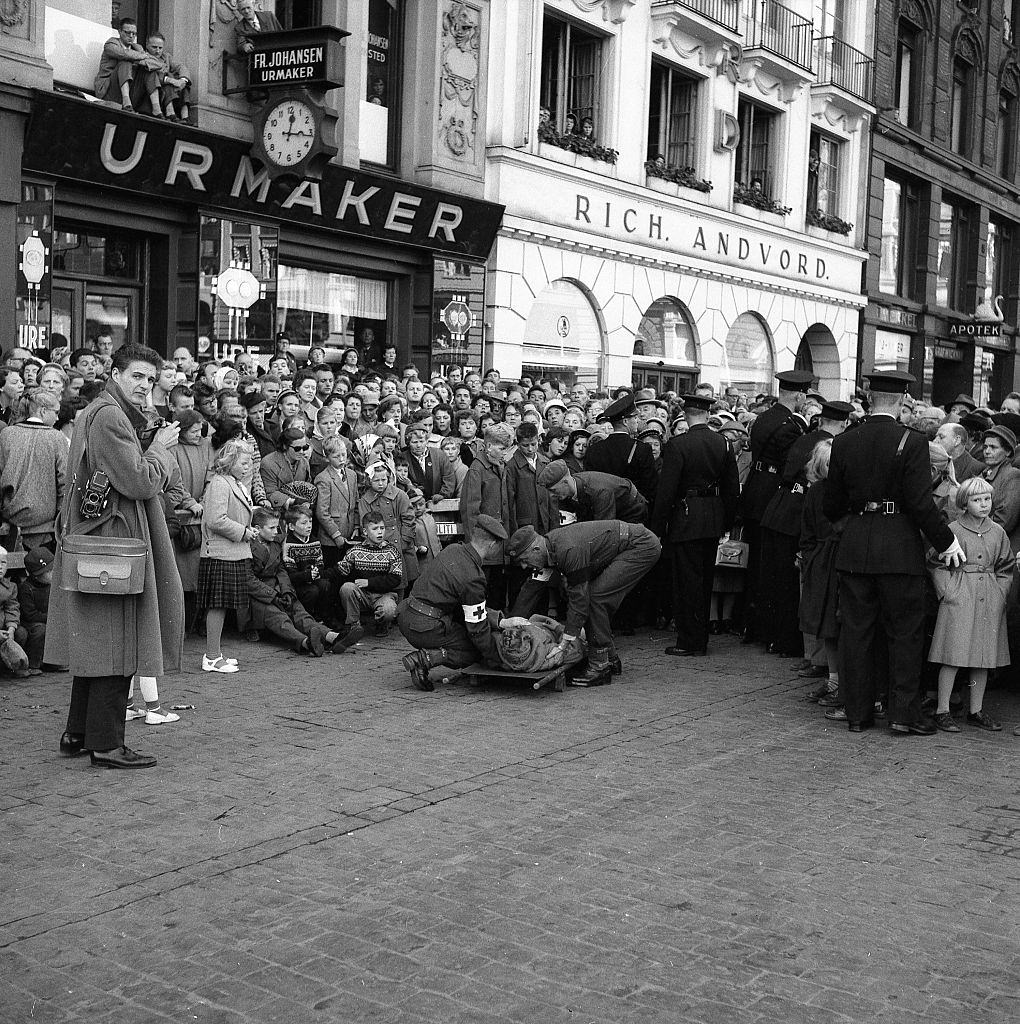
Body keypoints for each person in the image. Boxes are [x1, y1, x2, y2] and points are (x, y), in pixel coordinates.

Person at [49, 342, 184, 770]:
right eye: (137, 377)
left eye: (150, 378)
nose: (145, 386)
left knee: (99, 641)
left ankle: (79, 732)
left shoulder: (100, 410)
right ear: (117, 373)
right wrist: (162, 446)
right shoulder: (110, 415)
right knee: (119, 641)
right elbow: (141, 481)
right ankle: (105, 743)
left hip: (104, 537)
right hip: (117, 540)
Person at [823, 370, 964, 735]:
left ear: (868, 398)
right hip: (899, 547)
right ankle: (903, 715)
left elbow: (831, 504)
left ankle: (857, 713)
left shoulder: (844, 441)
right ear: (903, 399)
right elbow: (920, 504)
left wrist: (853, 524)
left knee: (856, 632)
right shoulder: (912, 441)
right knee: (905, 633)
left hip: (856, 547)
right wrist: (947, 541)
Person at [508, 520, 661, 687]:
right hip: (627, 544)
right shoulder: (547, 551)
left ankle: (600, 667)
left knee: (595, 599)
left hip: (641, 546)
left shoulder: (567, 550)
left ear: (535, 549)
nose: (523, 566)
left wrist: (562, 645)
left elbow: (580, 601)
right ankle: (610, 659)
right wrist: (510, 625)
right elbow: (531, 590)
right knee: (595, 597)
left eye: (524, 560)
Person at [757, 399, 852, 658]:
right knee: (793, 585)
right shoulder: (834, 447)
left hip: (779, 509)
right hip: (800, 513)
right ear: (843, 424)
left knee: (775, 581)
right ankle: (792, 644)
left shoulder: (803, 438)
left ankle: (774, 638)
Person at [650, 392, 740, 657]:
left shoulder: (678, 444)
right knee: (704, 580)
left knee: (687, 581)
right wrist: (726, 520)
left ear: (686, 416)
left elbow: (666, 491)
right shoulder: (723, 443)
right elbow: (732, 489)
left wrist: (657, 527)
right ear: (707, 415)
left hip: (686, 518)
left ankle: (690, 639)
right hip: (712, 517)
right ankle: (698, 638)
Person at [927, 477, 1010, 733]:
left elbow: (1005, 566)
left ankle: (976, 709)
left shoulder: (998, 531)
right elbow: (935, 561)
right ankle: (942, 709)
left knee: (983, 657)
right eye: (976, 500)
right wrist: (948, 591)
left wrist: (1000, 592)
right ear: (964, 502)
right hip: (960, 594)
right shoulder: (952, 529)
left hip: (988, 595)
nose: (984, 504)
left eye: (987, 499)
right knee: (952, 654)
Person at [739, 370, 815, 640]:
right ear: (798, 394)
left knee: (755, 562)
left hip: (754, 490)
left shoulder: (762, 418)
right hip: (773, 493)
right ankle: (765, 627)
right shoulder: (791, 426)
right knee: (772, 565)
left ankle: (749, 623)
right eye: (804, 394)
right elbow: (791, 466)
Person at [396, 514, 509, 690]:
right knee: (474, 649)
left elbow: (459, 604)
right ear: (493, 545)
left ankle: (426, 656)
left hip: (406, 616)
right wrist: (495, 658)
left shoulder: (453, 549)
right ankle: (425, 659)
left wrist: (499, 620)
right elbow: (477, 628)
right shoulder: (474, 577)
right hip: (425, 628)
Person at [198, 439, 259, 675]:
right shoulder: (220, 483)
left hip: (230, 552)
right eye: (243, 462)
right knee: (218, 605)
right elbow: (216, 520)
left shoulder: (231, 482)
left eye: (249, 463)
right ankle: (212, 657)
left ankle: (215, 653)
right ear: (231, 461)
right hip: (221, 553)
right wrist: (244, 532)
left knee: (221, 605)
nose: (247, 467)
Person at [244, 507, 339, 656]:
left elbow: (281, 571)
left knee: (299, 611)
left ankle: (332, 637)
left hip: (278, 588)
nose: (277, 531)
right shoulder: (247, 546)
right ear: (257, 528)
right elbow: (248, 580)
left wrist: (287, 591)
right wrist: (272, 595)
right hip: (258, 595)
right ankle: (304, 642)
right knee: (278, 618)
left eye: (277, 527)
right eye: (272, 528)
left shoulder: (275, 544)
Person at [0, 390, 66, 552]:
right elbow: (65, 481)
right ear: (43, 410)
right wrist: (61, 518)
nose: (58, 418)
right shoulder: (57, 438)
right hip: (44, 529)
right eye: (56, 412)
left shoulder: (7, 433)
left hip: (9, 520)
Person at [334, 511, 404, 650]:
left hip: (383, 595)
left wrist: (369, 582)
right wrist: (317, 573)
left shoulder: (391, 550)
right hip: (363, 596)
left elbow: (395, 578)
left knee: (389, 610)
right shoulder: (356, 550)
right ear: (365, 531)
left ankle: (382, 624)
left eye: (382, 528)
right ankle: (354, 625)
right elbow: (341, 570)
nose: (380, 532)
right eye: (375, 529)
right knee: (347, 588)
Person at [583, 393, 657, 504]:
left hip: (602, 509)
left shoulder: (594, 449)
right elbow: (650, 487)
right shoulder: (642, 449)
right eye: (634, 417)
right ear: (625, 422)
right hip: (632, 511)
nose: (637, 420)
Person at [537, 462, 647, 524]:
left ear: (565, 482)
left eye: (553, 490)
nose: (552, 495)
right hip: (616, 509)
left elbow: (605, 529)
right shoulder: (575, 485)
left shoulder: (599, 491)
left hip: (633, 510)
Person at [94, 18, 164, 114]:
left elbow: (158, 63)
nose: (131, 36)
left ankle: (156, 109)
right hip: (108, 92)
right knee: (125, 62)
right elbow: (123, 54)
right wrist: (141, 57)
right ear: (119, 31)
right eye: (128, 33)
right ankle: (126, 101)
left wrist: (140, 61)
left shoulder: (138, 47)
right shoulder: (111, 43)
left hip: (132, 93)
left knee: (149, 71)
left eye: (134, 34)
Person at [144, 32, 191, 120]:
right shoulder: (143, 56)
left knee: (184, 81)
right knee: (169, 76)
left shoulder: (166, 56)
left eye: (160, 48)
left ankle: (185, 116)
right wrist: (170, 79)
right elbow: (153, 74)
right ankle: (170, 113)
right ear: (147, 45)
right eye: (154, 47)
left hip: (169, 94)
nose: (158, 51)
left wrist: (182, 80)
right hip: (151, 95)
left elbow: (181, 66)